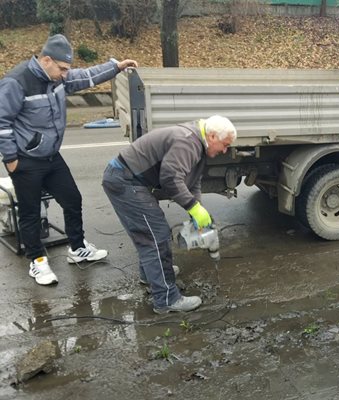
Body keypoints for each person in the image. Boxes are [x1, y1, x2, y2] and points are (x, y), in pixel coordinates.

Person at [0, 34, 138, 286]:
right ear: (46, 60)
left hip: (52, 157)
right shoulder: (16, 82)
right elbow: (2, 122)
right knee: (30, 213)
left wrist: (116, 67)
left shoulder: (58, 78)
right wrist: (11, 160)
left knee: (72, 199)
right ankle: (38, 261)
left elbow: (86, 77)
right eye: (62, 69)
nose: (65, 74)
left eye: (67, 69)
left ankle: (77, 248)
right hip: (26, 161)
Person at [101, 116, 237, 314]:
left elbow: (193, 181)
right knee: (156, 237)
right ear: (213, 135)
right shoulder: (187, 142)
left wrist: (197, 208)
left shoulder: (198, 143)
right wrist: (192, 207)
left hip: (129, 179)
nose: (224, 150)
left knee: (149, 235)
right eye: (224, 145)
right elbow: (170, 178)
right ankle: (166, 299)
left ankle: (151, 275)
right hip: (126, 181)